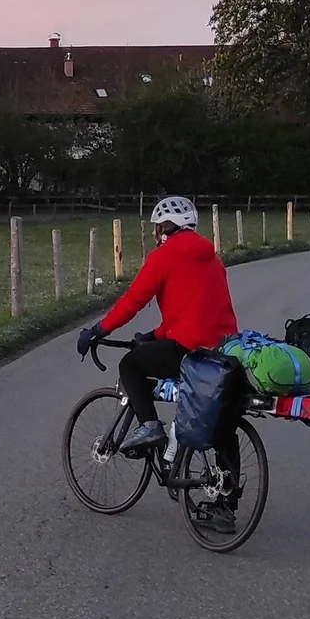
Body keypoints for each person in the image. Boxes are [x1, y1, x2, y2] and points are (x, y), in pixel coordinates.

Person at [76, 196, 241, 490]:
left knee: (130, 366)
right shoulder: (213, 260)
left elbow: (133, 300)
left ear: (166, 227)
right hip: (223, 351)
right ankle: (225, 501)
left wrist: (98, 330)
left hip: (189, 350)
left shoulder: (164, 256)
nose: (155, 234)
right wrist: (152, 336)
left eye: (157, 228)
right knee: (219, 415)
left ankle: (150, 427)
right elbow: (192, 312)